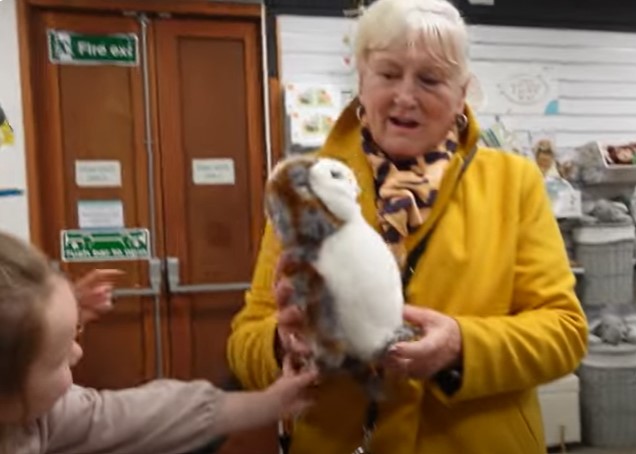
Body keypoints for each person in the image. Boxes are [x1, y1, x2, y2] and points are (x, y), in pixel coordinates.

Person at [227, 0, 588, 452]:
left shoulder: (513, 183)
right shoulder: (308, 188)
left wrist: (462, 346)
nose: (405, 96)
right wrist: (285, 346)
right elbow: (245, 336)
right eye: (388, 73)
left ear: (462, 93)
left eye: (430, 79)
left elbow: (565, 331)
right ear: (361, 79)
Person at [0, 231, 318, 454]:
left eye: (76, 332)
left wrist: (271, 403)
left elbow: (144, 415)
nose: (77, 352)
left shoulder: (39, 416)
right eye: (56, 357)